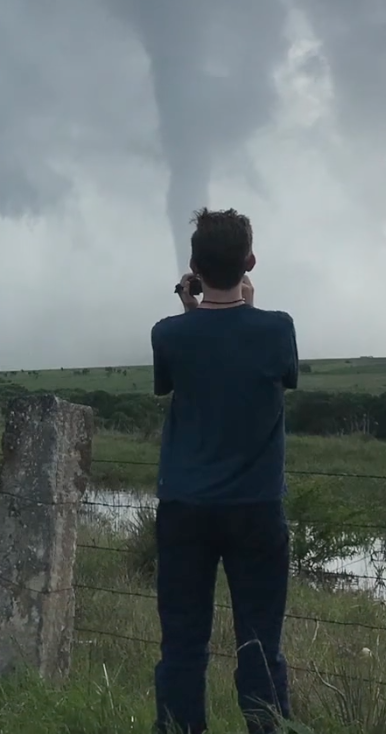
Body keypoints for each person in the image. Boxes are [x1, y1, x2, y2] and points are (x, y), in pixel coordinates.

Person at [150, 208, 299, 734]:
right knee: (260, 642)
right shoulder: (278, 329)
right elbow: (282, 373)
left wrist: (193, 311)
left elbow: (173, 377)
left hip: (185, 506)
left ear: (193, 266)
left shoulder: (169, 333)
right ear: (250, 262)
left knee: (183, 642)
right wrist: (245, 308)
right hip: (256, 508)